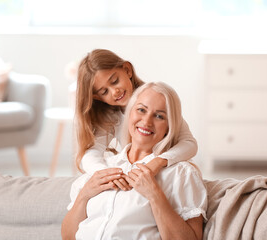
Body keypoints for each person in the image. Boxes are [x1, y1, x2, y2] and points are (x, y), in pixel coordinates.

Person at [61, 82, 207, 240]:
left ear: (169, 127)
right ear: (129, 113)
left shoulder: (180, 173)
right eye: (141, 110)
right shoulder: (101, 169)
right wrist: (84, 194)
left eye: (159, 116)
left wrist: (154, 195)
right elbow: (68, 236)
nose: (147, 121)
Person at [74, 49, 197, 190]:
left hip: (169, 176)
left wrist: (158, 162)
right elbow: (91, 153)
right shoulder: (111, 118)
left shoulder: (158, 100)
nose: (115, 91)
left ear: (127, 70)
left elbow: (189, 143)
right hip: (135, 182)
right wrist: (105, 174)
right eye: (104, 92)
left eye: (115, 81)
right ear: (97, 97)